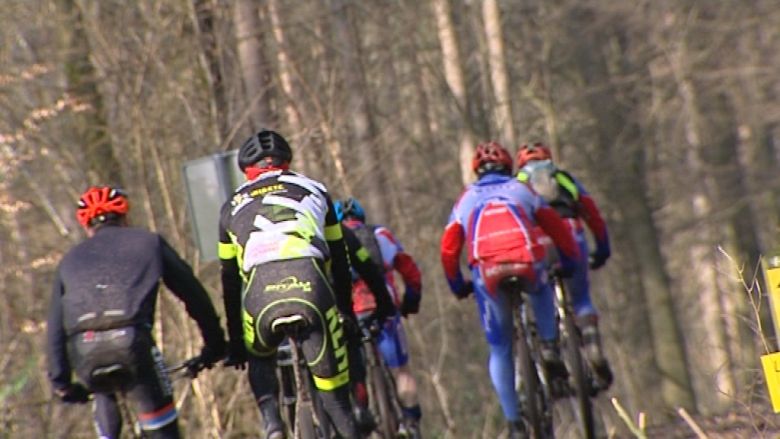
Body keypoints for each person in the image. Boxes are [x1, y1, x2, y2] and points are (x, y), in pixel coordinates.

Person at [46, 186, 227, 439]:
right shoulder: (149, 242)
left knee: (102, 389)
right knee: (162, 431)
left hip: (85, 351)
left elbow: (54, 327)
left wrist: (61, 384)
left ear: (87, 226)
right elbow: (193, 295)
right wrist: (214, 345)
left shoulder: (69, 260)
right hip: (133, 345)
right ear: (125, 218)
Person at [218, 129, 363, 439]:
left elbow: (229, 282)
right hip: (311, 287)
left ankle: (272, 424)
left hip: (259, 297)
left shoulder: (229, 207)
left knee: (260, 357)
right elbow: (340, 259)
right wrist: (346, 312)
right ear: (287, 163)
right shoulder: (316, 190)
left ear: (247, 171)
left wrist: (235, 343)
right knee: (337, 404)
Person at [439, 142, 580, 438]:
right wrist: (569, 260)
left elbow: (449, 249)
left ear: (477, 171)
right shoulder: (521, 190)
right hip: (526, 263)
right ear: (508, 167)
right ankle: (550, 346)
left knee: (500, 348)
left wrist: (457, 284)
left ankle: (514, 423)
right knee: (541, 288)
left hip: (487, 274)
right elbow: (556, 227)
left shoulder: (466, 199)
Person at [515, 142, 613, 388]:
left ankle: (550, 350)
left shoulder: (516, 185)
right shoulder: (564, 179)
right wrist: (602, 249)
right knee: (581, 299)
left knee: (540, 294)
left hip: (538, 243)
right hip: (571, 237)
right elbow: (593, 215)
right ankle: (592, 347)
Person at [336, 197, 424, 438]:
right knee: (401, 371)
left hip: (351, 310)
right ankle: (411, 422)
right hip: (381, 305)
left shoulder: (331, 241)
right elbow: (409, 269)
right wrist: (411, 300)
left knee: (355, 368)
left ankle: (361, 408)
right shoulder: (381, 234)